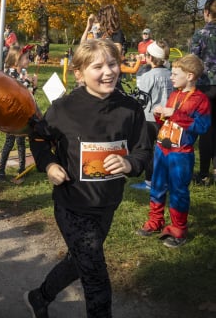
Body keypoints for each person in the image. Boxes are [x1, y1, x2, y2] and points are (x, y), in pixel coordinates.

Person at [25, 39, 151, 318]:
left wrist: (129, 163)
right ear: (80, 74)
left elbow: (143, 150)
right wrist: (49, 165)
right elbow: (39, 138)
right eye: (98, 66)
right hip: (72, 204)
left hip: (107, 203)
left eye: (113, 64)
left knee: (79, 262)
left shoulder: (130, 109)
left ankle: (39, 296)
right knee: (96, 278)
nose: (108, 72)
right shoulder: (63, 108)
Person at [136, 54, 211, 248]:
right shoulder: (174, 94)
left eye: (175, 74)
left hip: (181, 154)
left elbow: (202, 127)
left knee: (178, 190)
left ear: (190, 76)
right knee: (157, 185)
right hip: (162, 149)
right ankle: (155, 221)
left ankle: (178, 229)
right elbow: (170, 122)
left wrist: (175, 114)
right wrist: (161, 116)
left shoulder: (200, 100)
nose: (171, 77)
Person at [131, 41, 173, 190]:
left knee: (148, 150)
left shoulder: (147, 76)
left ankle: (150, 182)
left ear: (150, 57)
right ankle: (166, 179)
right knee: (165, 149)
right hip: (168, 119)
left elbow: (141, 98)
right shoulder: (171, 75)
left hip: (149, 119)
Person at [0, 44, 37, 184]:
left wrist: (34, 85)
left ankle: (21, 168)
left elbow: (29, 96)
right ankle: (0, 171)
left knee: (20, 142)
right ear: (17, 59)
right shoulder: (10, 73)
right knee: (9, 142)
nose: (28, 60)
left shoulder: (22, 72)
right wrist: (27, 81)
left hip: (22, 114)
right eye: (26, 58)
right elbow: (17, 90)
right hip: (11, 115)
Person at [190, 0, 216, 185]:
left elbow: (192, 62)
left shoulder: (201, 34)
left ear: (207, 12)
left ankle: (205, 173)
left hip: (206, 87)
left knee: (207, 131)